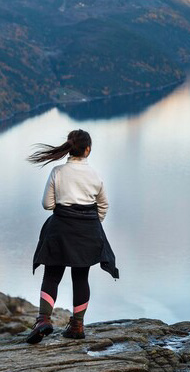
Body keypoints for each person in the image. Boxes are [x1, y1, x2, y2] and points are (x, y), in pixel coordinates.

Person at [25, 129, 119, 344]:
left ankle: (43, 320)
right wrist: (91, 224)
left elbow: (47, 204)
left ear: (69, 147)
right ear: (88, 150)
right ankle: (77, 325)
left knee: (52, 275)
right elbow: (103, 205)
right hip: (87, 232)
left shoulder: (58, 172)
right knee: (80, 276)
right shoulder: (95, 175)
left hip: (60, 229)